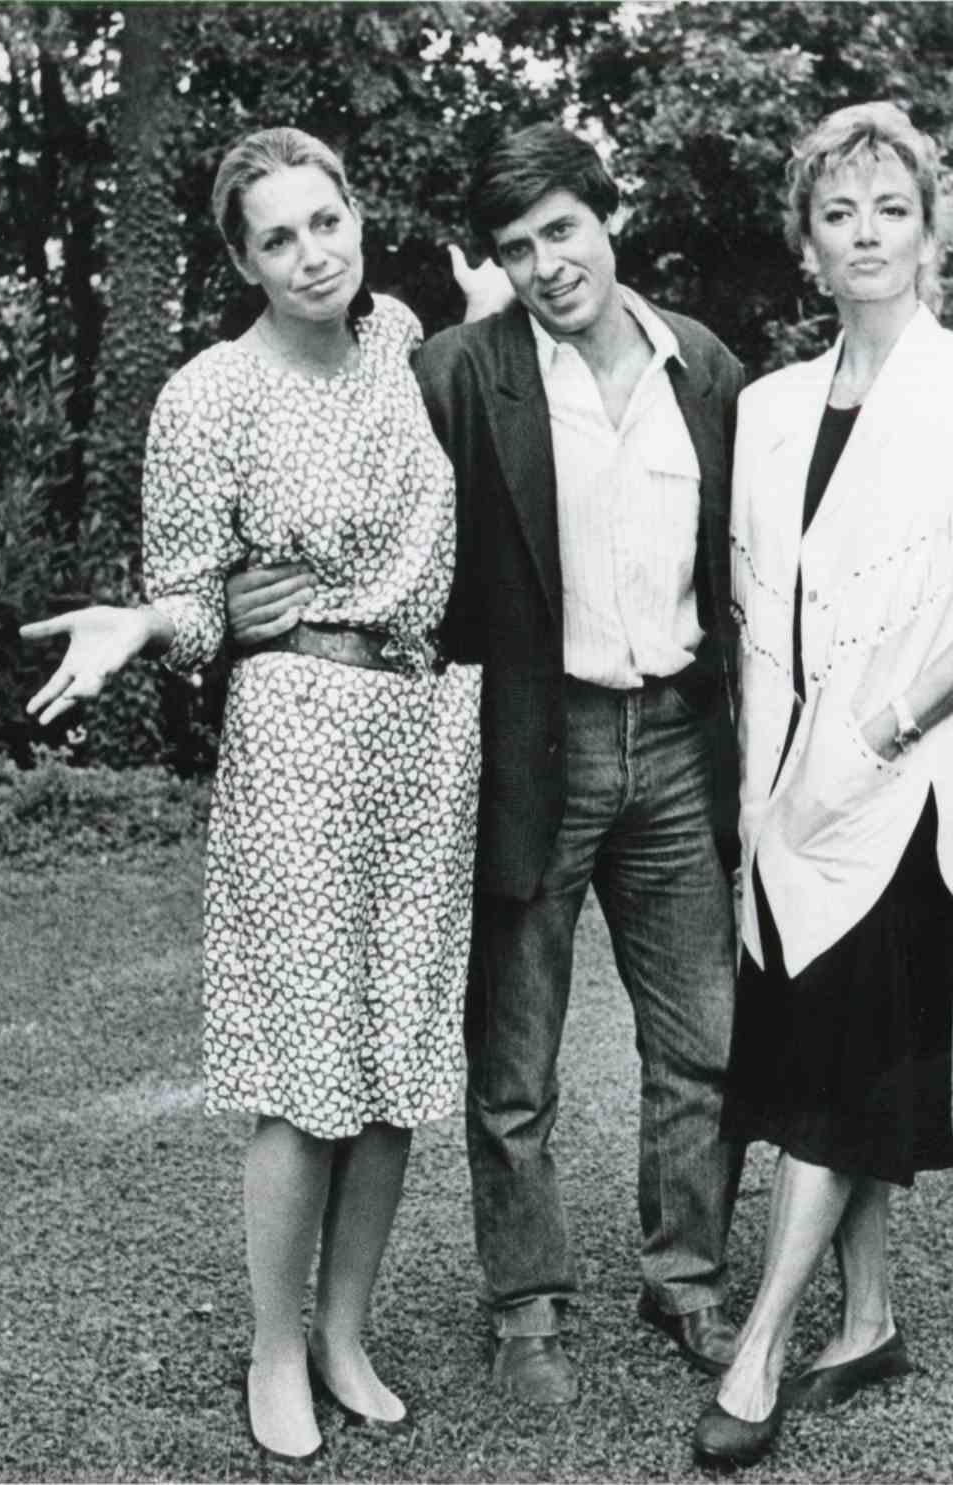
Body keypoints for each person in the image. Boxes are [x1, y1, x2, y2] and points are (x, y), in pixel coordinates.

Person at [227, 123, 747, 1405]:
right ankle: (528, 1308)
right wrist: (248, 591)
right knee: (512, 1064)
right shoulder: (460, 370)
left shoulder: (708, 368)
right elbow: (351, 473)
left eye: (561, 230)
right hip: (532, 742)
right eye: (515, 249)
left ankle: (684, 1283)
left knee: (701, 1047)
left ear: (607, 216)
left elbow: (747, 566)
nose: (546, 264)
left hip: (678, 739)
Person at [19, 126, 482, 1467]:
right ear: (243, 259)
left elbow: (503, 371)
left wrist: (505, 297)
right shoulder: (208, 395)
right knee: (300, 1067)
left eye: (324, 221)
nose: (310, 253)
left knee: (396, 1059)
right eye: (276, 237)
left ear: (357, 218)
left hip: (426, 730)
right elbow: (188, 586)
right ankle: (276, 1350)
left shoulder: (406, 343)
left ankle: (346, 1330)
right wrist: (153, 622)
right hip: (296, 735)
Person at [690, 101, 953, 1467]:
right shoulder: (776, 408)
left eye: (889, 209)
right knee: (811, 1050)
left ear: (928, 229)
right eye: (837, 211)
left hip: (903, 784)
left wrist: (890, 724)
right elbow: (753, 617)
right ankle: (870, 1320)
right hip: (787, 792)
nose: (865, 233)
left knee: (839, 1051)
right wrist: (762, 789)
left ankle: (761, 1348)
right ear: (808, 241)